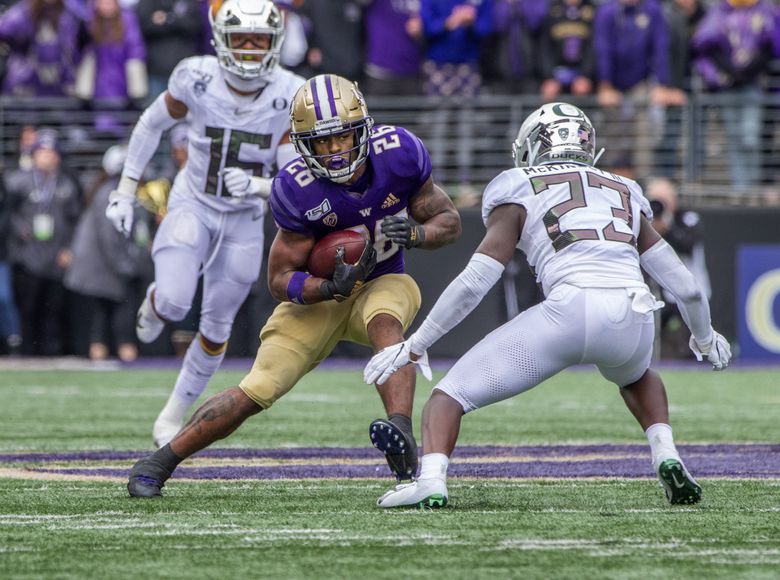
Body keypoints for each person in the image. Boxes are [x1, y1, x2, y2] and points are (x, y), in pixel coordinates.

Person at [364, 102, 731, 509]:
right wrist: (704, 337)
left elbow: (475, 281)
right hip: (633, 315)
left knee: (447, 397)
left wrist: (416, 344)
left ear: (534, 146)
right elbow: (688, 288)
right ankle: (667, 454)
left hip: (568, 310)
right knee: (638, 375)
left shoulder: (518, 182)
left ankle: (430, 480)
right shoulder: (625, 188)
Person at [125, 74, 462, 498]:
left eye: (342, 138)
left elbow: (449, 221)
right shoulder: (296, 187)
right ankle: (159, 462)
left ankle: (399, 431)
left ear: (364, 130)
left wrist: (416, 235)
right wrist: (326, 286)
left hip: (383, 278)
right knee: (259, 386)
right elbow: (279, 279)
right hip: (318, 300)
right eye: (322, 143)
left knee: (387, 319)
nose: (336, 151)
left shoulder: (400, 154)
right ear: (304, 144)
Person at [105, 0, 304, 447]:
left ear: (276, 43)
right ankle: (155, 303)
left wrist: (256, 185)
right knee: (175, 303)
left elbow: (295, 181)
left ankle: (173, 415)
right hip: (194, 201)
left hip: (245, 218)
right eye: (242, 40)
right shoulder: (196, 76)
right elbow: (150, 124)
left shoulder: (291, 92)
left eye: (260, 40)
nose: (251, 50)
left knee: (216, 328)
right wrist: (124, 189)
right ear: (221, 40)